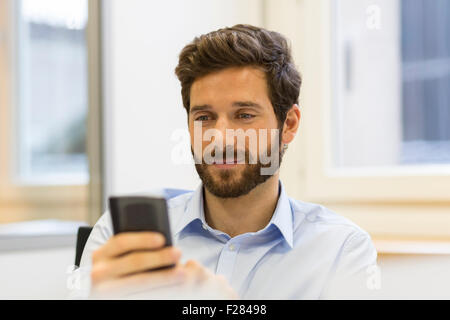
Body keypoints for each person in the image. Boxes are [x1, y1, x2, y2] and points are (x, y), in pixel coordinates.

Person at [78, 24, 377, 299]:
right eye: (204, 117)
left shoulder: (342, 251)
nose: (221, 139)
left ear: (288, 124)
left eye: (244, 115)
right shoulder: (123, 236)